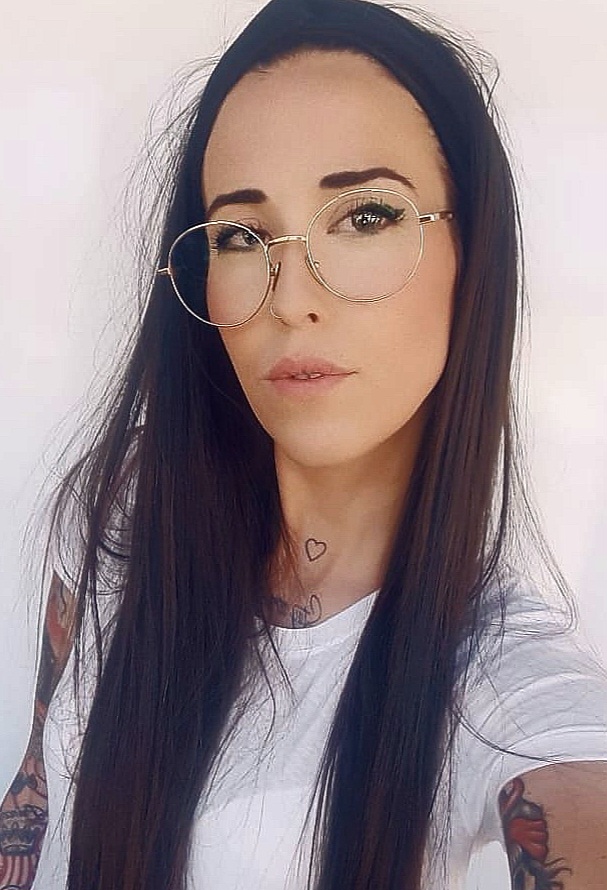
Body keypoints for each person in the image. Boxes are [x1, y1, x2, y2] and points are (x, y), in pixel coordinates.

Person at [1, 0, 607, 888]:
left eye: (364, 217)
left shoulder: (506, 688)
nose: (289, 299)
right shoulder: (124, 506)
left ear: (473, 255)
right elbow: (35, 801)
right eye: (241, 235)